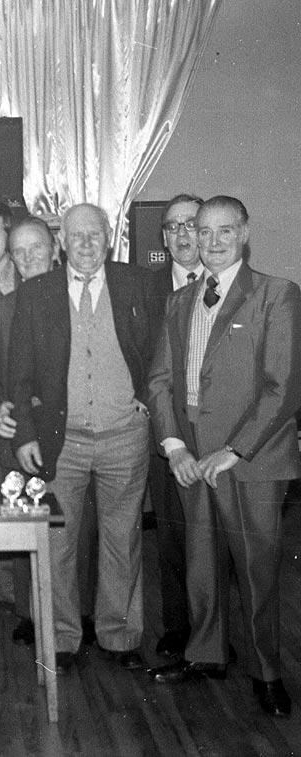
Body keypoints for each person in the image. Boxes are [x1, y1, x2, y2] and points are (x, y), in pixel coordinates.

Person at [146, 196, 301, 718]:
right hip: (192, 458)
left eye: (223, 231)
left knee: (256, 571)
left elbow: (283, 389)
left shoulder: (276, 295)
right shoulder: (180, 301)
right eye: (201, 231)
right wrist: (174, 446)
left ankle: (266, 672)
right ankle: (206, 655)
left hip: (251, 461)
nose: (211, 242)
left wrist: (233, 450)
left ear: (244, 233)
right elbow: (161, 381)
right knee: (201, 566)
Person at [8, 203, 163, 675]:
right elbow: (19, 373)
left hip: (124, 435)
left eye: (95, 235)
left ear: (109, 237)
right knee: (58, 541)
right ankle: (60, 639)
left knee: (123, 538)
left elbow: (162, 348)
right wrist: (25, 435)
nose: (87, 244)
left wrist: (146, 399)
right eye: (77, 236)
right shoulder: (37, 293)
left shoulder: (139, 283)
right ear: (62, 243)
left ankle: (119, 635)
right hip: (62, 439)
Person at [0, 215, 59, 646]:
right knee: (21, 523)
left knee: (69, 531)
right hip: (17, 436)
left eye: (37, 248)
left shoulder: (78, 302)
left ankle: (75, 613)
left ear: (54, 250)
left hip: (71, 435)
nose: (29, 258)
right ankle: (29, 612)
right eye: (19, 251)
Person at [147, 193, 205, 659]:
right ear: (164, 238)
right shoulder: (144, 290)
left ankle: (218, 634)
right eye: (173, 227)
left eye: (191, 225)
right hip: (166, 435)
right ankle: (177, 628)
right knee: (171, 538)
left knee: (220, 543)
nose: (182, 235)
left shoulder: (232, 286)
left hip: (222, 439)